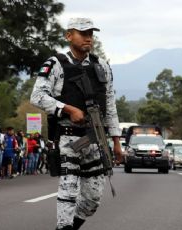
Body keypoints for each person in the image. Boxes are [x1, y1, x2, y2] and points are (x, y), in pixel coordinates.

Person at [30, 18, 123, 230]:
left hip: (95, 139)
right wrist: (67, 109)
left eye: (91, 33)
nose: (88, 37)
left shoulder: (103, 67)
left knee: (92, 200)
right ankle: (64, 227)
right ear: (69, 35)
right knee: (68, 191)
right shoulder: (55, 64)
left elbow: (110, 106)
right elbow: (37, 96)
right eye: (82, 33)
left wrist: (116, 142)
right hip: (68, 138)